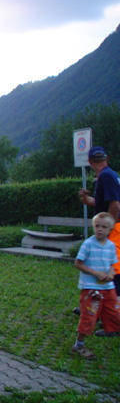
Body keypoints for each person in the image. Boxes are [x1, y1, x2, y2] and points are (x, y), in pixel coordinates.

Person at [72, 212, 120, 359]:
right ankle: (78, 345)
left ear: (110, 230)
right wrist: (95, 273)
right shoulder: (88, 244)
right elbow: (78, 263)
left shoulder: (111, 246)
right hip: (92, 291)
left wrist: (111, 273)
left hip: (108, 289)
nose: (100, 229)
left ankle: (112, 330)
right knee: (89, 316)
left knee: (115, 314)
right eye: (97, 226)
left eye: (104, 227)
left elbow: (113, 264)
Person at [78, 145, 120, 295]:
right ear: (106, 158)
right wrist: (84, 197)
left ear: (90, 162)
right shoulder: (103, 176)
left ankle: (113, 309)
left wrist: (107, 228)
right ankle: (99, 305)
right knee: (102, 265)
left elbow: (115, 204)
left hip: (114, 229)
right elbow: (97, 202)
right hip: (112, 227)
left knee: (113, 268)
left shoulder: (106, 176)